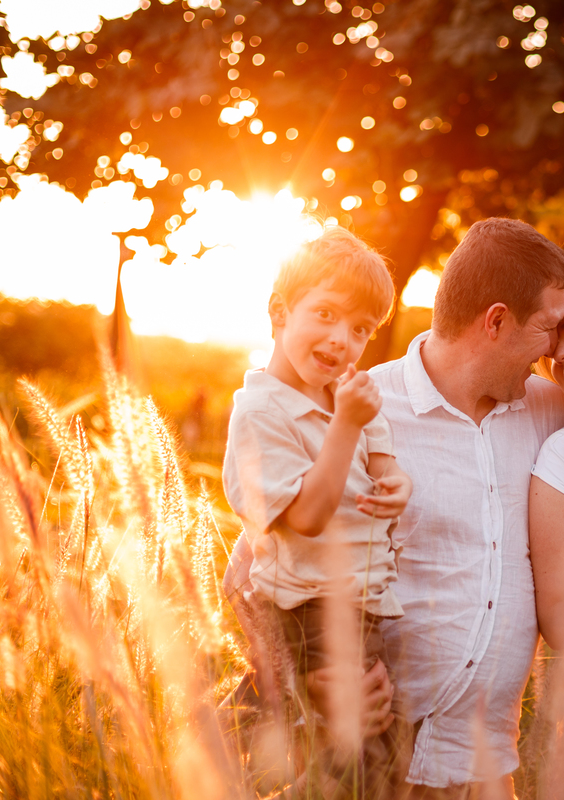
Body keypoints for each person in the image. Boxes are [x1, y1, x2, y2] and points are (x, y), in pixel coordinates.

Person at [366, 217, 564, 799]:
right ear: (496, 321)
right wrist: (317, 676)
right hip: (372, 765)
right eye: (548, 328)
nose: (556, 349)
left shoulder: (553, 413)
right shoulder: (360, 410)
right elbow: (252, 573)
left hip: (486, 769)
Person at [221, 227, 414, 796]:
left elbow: (385, 460)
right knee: (364, 762)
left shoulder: (343, 394)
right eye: (326, 314)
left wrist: (394, 483)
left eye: (360, 329)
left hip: (365, 604)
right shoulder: (260, 412)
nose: (341, 340)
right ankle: (224, 743)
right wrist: (346, 425)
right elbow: (306, 516)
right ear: (280, 313)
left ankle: (231, 736)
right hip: (311, 610)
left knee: (365, 752)